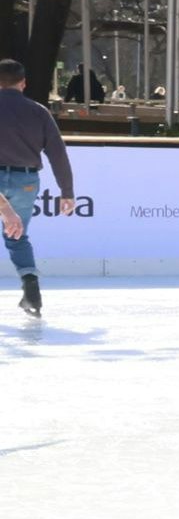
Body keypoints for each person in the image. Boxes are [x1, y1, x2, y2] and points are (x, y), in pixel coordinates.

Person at [0, 57, 73, 322]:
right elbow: (58, 153)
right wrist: (67, 191)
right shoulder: (38, 111)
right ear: (23, 83)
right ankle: (30, 286)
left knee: (15, 231)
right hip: (26, 181)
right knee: (17, 235)